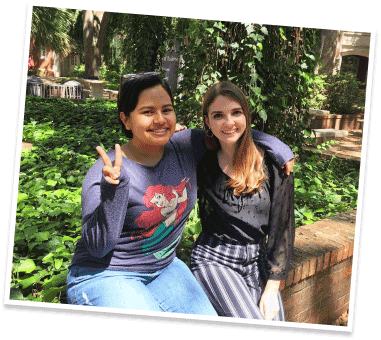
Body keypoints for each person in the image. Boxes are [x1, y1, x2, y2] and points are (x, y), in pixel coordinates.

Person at [66, 73, 294, 315]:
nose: (160, 119)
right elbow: (97, 247)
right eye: (147, 112)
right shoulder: (106, 172)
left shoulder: (185, 145)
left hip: (164, 269)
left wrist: (278, 147)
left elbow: (229, 131)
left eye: (167, 110)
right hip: (107, 274)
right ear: (126, 119)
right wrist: (113, 192)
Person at [190, 81, 295, 321]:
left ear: (246, 115)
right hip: (214, 258)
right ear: (207, 121)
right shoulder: (200, 160)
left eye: (236, 113)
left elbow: (283, 229)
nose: (228, 122)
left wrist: (272, 288)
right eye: (218, 115)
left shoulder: (274, 163)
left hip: (258, 260)